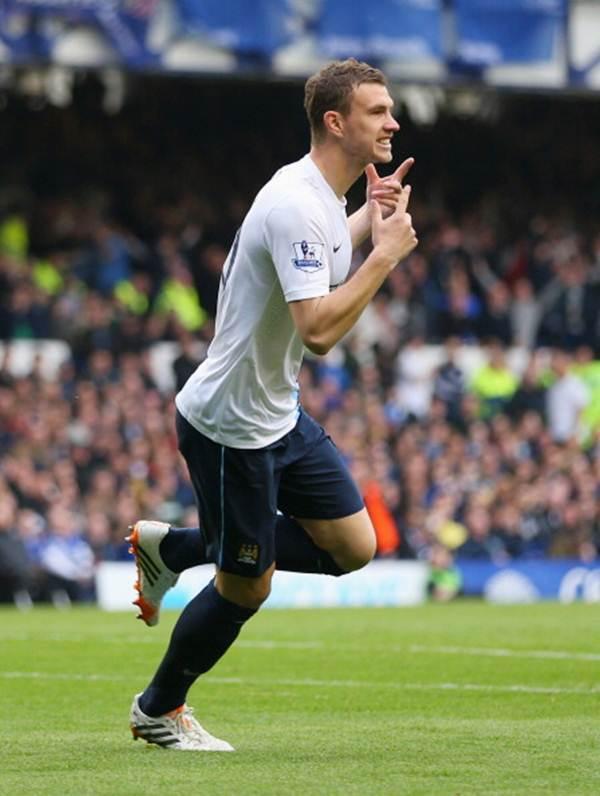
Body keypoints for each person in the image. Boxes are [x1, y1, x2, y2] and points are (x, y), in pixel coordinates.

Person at [127, 58, 418, 752]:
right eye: (379, 111)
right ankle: (157, 708)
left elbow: (319, 251)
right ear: (336, 121)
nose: (394, 121)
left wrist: (368, 224)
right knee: (245, 587)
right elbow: (317, 331)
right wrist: (384, 257)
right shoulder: (294, 201)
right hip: (232, 425)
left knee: (355, 546)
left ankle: (175, 547)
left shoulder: (317, 197)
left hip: (276, 414)